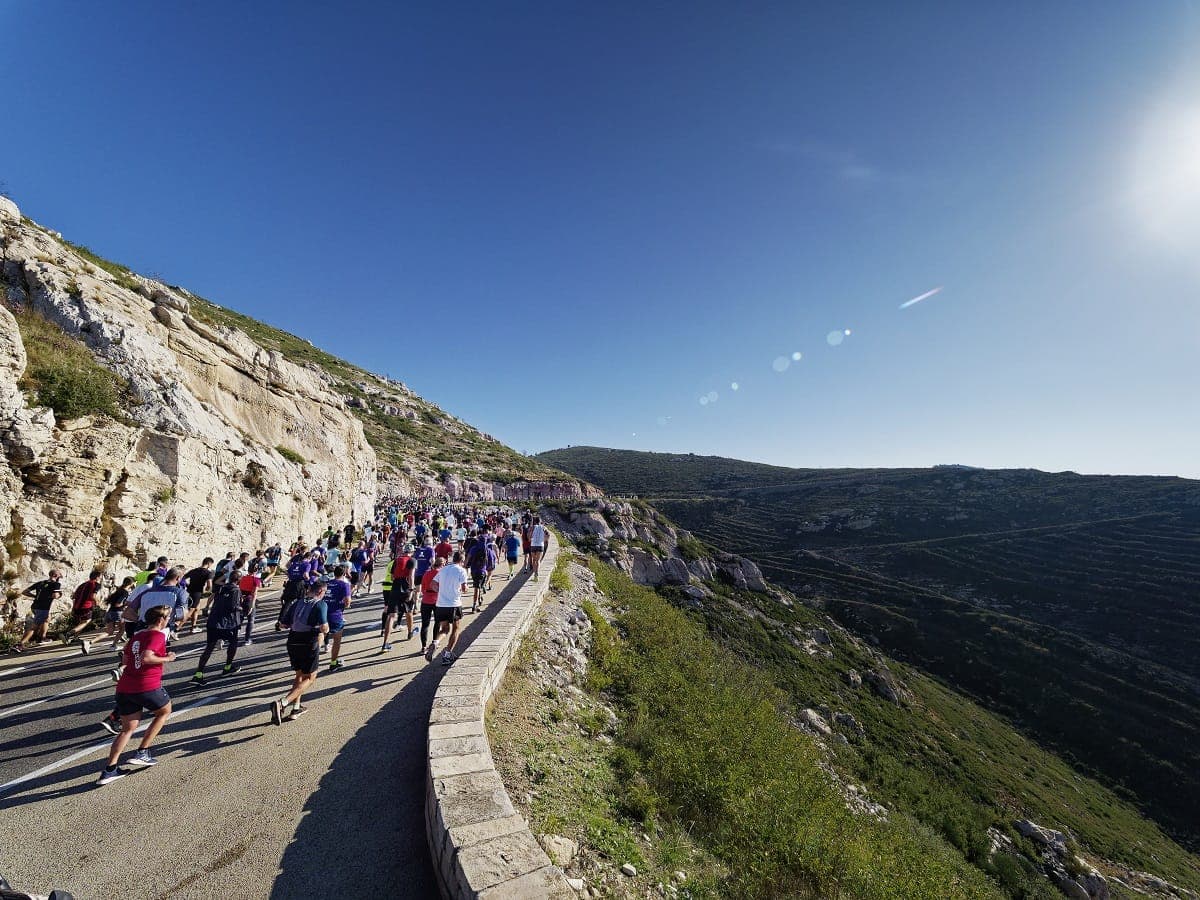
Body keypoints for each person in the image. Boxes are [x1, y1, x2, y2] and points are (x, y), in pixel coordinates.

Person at [97, 605, 177, 785]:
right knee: (164, 711)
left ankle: (110, 770)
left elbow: (125, 660)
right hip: (146, 685)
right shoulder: (157, 635)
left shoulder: (136, 636)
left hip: (125, 688)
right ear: (160, 620)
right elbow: (147, 657)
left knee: (127, 729)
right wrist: (167, 658)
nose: (168, 621)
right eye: (167, 618)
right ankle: (142, 752)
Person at [271, 580, 329, 724]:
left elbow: (284, 624)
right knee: (310, 677)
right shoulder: (320, 604)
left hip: (292, 641)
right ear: (321, 592)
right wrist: (327, 630)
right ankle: (283, 703)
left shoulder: (297, 602)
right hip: (308, 642)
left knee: (299, 675)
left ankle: (296, 708)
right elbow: (323, 627)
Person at [192, 575, 243, 684]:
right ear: (239, 580)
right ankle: (227, 667)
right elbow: (233, 607)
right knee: (233, 643)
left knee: (209, 647)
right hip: (227, 623)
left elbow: (212, 598)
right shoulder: (236, 590)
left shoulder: (221, 588)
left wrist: (206, 607)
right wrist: (243, 607)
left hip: (213, 621)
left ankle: (198, 674)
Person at [426, 551, 468, 666]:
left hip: (441, 604)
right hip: (454, 604)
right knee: (456, 629)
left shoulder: (443, 569)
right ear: (462, 560)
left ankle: (435, 642)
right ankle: (448, 653)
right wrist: (463, 589)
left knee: (444, 629)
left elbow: (432, 584)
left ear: (453, 559)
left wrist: (441, 592)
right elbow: (464, 588)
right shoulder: (461, 570)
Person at [12, 571, 62, 652]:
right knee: (34, 626)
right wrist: (60, 594)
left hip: (35, 606)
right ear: (56, 576)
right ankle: (20, 644)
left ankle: (42, 637)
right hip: (43, 608)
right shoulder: (56, 584)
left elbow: (25, 592)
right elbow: (55, 595)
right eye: (60, 576)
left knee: (47, 618)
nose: (60, 578)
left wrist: (35, 596)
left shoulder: (40, 583)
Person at [382, 548, 416, 651]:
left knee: (391, 615)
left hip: (395, 587)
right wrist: (411, 589)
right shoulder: (412, 560)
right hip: (405, 588)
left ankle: (385, 643)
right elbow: (411, 576)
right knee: (408, 611)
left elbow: (392, 577)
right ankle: (410, 633)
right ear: (412, 552)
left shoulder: (397, 560)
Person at [322, 565, 352, 669]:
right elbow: (348, 601)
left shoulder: (327, 583)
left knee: (319, 638)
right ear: (344, 574)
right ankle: (333, 663)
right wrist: (346, 605)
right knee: (337, 640)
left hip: (322, 614)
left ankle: (309, 664)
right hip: (335, 615)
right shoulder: (344, 585)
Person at [65, 569, 103, 649]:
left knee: (81, 622)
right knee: (86, 621)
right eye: (100, 577)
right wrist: (97, 603)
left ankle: (75, 638)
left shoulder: (83, 584)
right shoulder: (96, 584)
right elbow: (93, 596)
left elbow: (74, 596)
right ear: (97, 577)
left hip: (77, 606)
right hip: (86, 607)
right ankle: (69, 634)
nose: (100, 578)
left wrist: (73, 607)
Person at [418, 557, 443, 654]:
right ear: (442, 564)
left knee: (425, 624)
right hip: (437, 600)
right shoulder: (440, 574)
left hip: (426, 600)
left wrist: (426, 594)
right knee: (437, 622)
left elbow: (423, 587)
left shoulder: (427, 573)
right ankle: (434, 643)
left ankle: (423, 647)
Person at [182, 558, 214, 633]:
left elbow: (183, 578)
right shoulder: (208, 573)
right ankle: (177, 628)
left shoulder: (194, 570)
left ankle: (193, 627)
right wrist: (207, 589)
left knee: (197, 609)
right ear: (209, 564)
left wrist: (187, 584)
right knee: (191, 610)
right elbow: (209, 585)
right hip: (197, 592)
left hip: (189, 591)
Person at [103, 576, 135, 651]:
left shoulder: (119, 590)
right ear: (131, 583)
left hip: (110, 612)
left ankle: (90, 641)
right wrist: (126, 604)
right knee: (122, 630)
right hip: (118, 612)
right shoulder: (125, 592)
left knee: (110, 631)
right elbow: (118, 604)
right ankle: (114, 645)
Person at [238, 565, 262, 646]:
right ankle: (247, 639)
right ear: (256, 571)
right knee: (250, 621)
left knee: (239, 620)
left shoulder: (242, 578)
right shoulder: (256, 580)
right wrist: (252, 606)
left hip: (241, 600)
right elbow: (254, 594)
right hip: (249, 600)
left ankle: (233, 636)